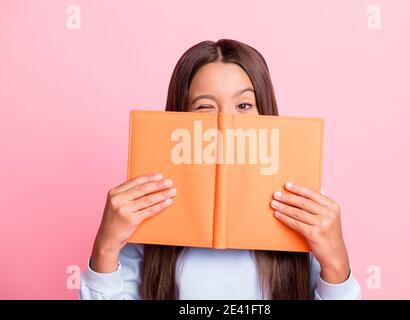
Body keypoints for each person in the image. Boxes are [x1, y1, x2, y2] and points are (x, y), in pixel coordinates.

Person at [79, 39, 361, 300]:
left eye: (244, 105)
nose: (226, 122)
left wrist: (335, 260)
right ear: (179, 116)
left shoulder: (303, 197)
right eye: (204, 107)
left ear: (265, 112)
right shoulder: (147, 200)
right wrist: (105, 246)